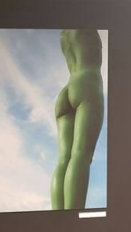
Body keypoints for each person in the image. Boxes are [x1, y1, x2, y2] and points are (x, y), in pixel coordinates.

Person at [51, 29, 105, 210]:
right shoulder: (86, 24)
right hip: (88, 83)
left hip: (67, 90)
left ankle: (57, 216)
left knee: (64, 159)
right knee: (81, 154)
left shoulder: (64, 34)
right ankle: (73, 218)